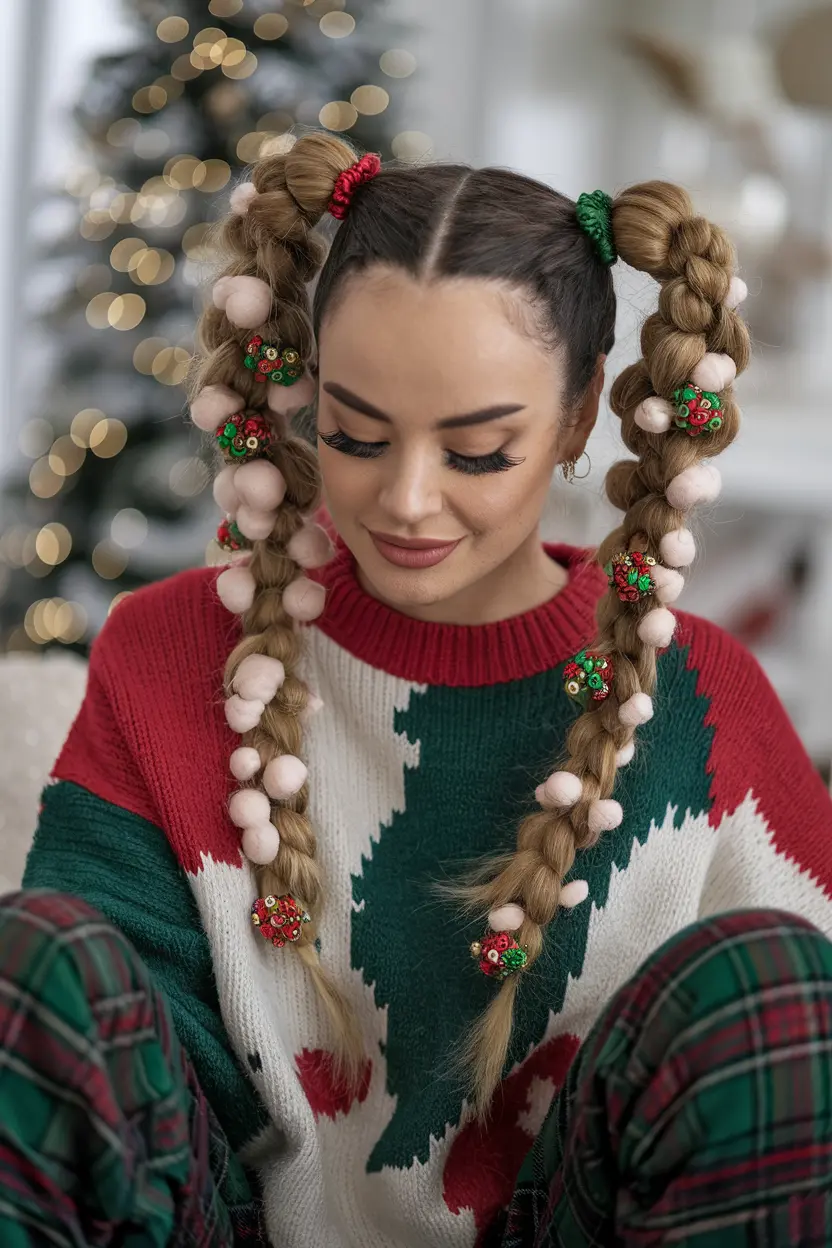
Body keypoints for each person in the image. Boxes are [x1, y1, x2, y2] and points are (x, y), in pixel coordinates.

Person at [2, 131, 832, 1248]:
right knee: (31, 960)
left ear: (581, 416)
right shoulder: (168, 654)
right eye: (352, 432)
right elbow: (98, 1055)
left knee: (771, 988)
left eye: (478, 452)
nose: (403, 499)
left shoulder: (702, 697)